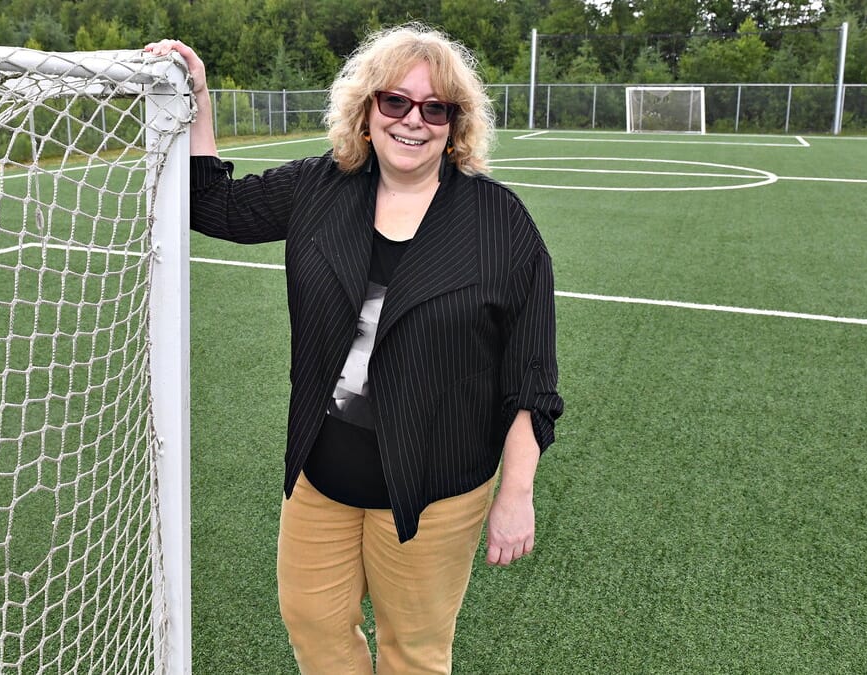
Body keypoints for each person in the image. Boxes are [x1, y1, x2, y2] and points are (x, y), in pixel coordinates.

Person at [146, 22, 563, 675]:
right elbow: (213, 205)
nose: (412, 121)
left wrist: (518, 490)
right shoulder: (322, 186)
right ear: (367, 109)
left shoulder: (499, 222)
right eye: (394, 101)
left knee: (414, 653)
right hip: (322, 478)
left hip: (435, 492)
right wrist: (197, 96)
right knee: (313, 623)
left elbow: (532, 380)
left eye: (434, 108)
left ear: (455, 124)